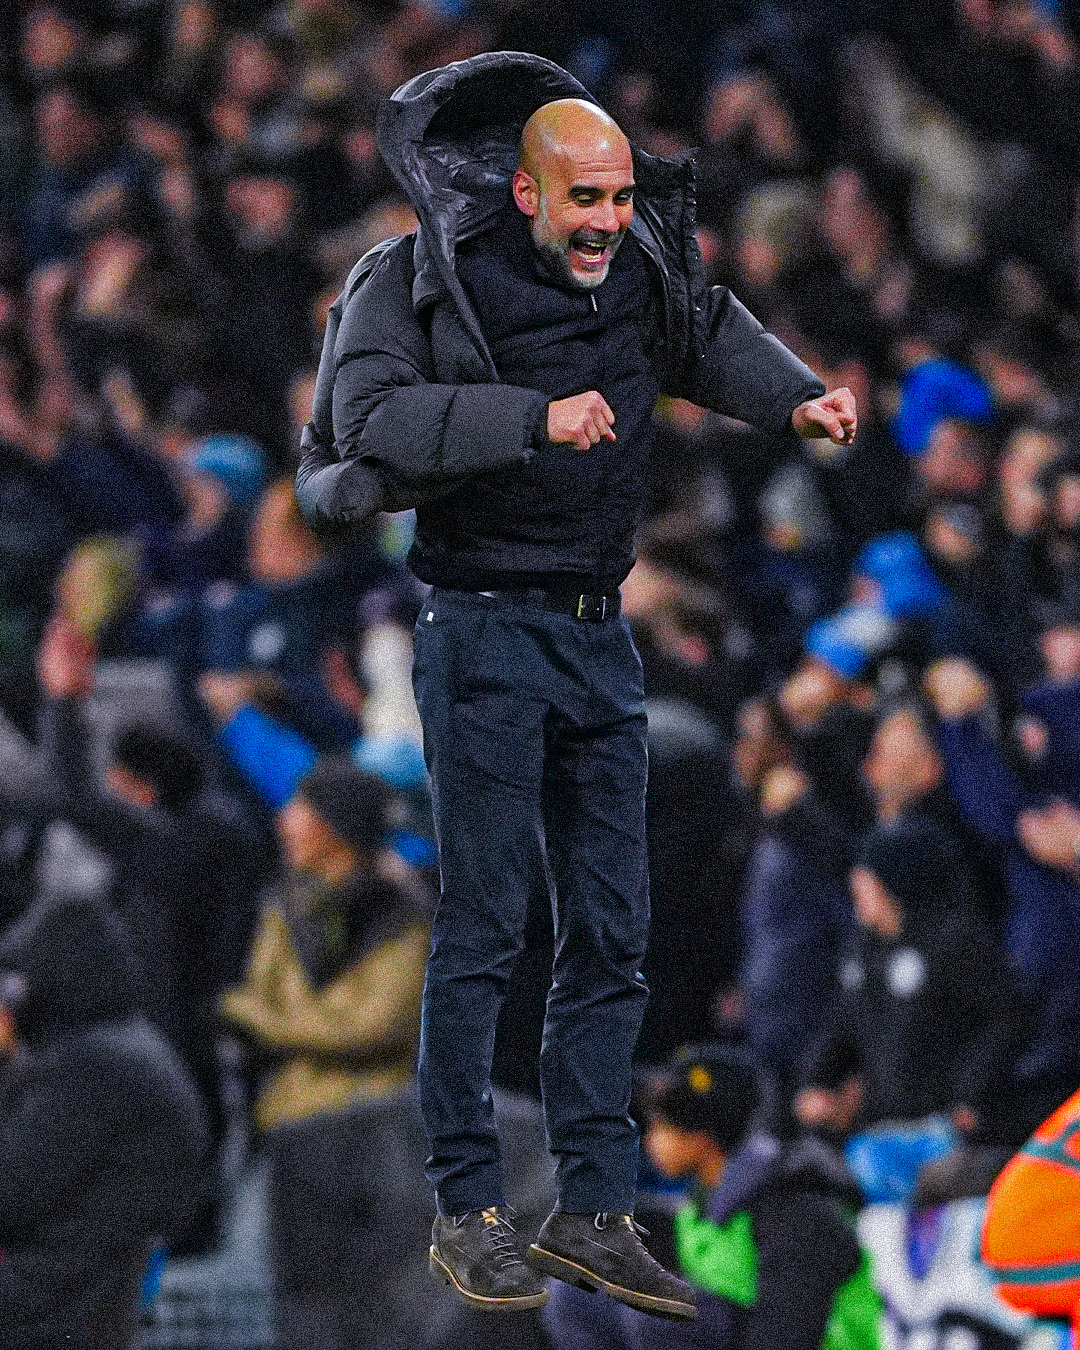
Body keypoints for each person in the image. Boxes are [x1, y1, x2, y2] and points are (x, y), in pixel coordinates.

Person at [296, 51, 857, 1319]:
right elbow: (369, 425)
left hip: (601, 637)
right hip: (482, 631)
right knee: (488, 926)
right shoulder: (414, 275)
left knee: (613, 932)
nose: (608, 220)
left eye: (620, 196)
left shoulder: (640, 271)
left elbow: (707, 334)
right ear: (526, 193)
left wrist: (796, 402)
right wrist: (531, 419)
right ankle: (468, 1212)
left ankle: (594, 1212)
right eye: (585, 199)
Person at [220, 757, 431, 1350]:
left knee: (365, 1306)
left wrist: (255, 1018)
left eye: (299, 807)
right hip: (284, 1129)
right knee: (266, 1294)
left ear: (334, 825)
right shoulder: (285, 905)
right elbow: (287, 1005)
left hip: (368, 1137)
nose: (284, 820)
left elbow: (368, 1028)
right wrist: (292, 1018)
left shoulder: (403, 916)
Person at [0, 894, 208, 1349]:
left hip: (54, 1306)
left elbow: (10, 1193)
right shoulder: (126, 1047)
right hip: (90, 1296)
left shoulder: (95, 1067)